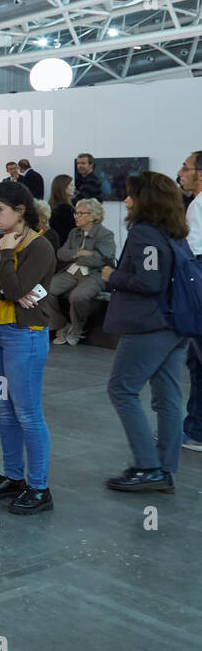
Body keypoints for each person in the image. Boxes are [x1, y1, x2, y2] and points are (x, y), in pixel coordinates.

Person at [0, 180, 63, 516]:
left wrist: (7, 262)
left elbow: (11, 288)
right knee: (3, 409)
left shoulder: (39, 247)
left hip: (24, 334)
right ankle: (13, 476)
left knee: (27, 412)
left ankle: (39, 486)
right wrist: (4, 288)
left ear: (20, 211)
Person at [103, 172, 191, 493]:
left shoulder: (143, 234)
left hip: (149, 325)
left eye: (131, 195)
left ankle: (147, 466)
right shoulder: (174, 233)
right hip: (175, 324)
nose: (126, 200)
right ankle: (164, 468)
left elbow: (148, 281)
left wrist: (112, 275)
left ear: (145, 200)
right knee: (167, 395)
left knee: (122, 390)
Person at [51, 198, 117, 346]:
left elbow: (102, 259)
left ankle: (77, 328)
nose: (76, 216)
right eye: (76, 213)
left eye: (80, 213)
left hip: (94, 275)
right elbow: (61, 253)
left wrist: (77, 256)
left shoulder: (106, 234)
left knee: (78, 296)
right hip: (71, 272)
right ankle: (62, 325)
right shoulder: (74, 232)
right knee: (44, 290)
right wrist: (79, 254)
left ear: (93, 216)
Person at [178, 150, 202, 453]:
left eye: (186, 168)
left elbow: (191, 255)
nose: (181, 172)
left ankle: (196, 431)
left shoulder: (198, 206)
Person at [49, 174, 76, 245]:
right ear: (63, 187)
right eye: (71, 185)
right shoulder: (65, 208)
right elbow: (72, 230)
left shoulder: (54, 204)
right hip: (67, 245)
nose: (74, 187)